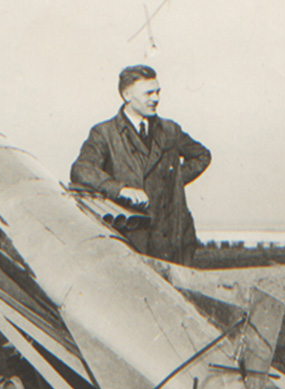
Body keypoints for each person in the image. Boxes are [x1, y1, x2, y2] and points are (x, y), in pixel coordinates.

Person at [70, 64, 210, 266]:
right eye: (148, 93)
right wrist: (121, 189)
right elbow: (81, 169)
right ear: (127, 95)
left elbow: (202, 156)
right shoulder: (104, 133)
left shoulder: (170, 130)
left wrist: (173, 180)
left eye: (158, 92)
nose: (156, 99)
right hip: (131, 242)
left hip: (173, 240)